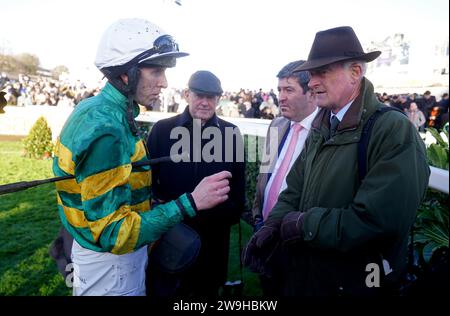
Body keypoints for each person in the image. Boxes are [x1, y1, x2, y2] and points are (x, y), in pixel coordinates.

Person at [243, 26, 430, 296]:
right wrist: (273, 225)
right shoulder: (323, 124)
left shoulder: (391, 129)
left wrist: (303, 225)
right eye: (312, 74)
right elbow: (294, 187)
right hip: (308, 279)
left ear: (356, 72)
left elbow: (379, 221)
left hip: (355, 285)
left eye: (323, 72)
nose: (313, 82)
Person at [52, 18, 231, 296]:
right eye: (156, 71)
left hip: (103, 260)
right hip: (112, 267)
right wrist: (191, 202)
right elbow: (115, 233)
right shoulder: (106, 129)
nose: (164, 82)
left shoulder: (98, 110)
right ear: (127, 73)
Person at [146, 70, 245, 296]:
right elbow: (145, 187)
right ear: (186, 94)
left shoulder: (231, 134)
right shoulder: (163, 130)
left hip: (212, 247)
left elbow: (238, 196)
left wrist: (215, 214)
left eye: (211, 97)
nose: (204, 102)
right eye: (199, 95)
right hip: (168, 242)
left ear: (219, 99)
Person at [250, 60, 318, 295]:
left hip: (297, 241)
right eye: (279, 90)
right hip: (264, 231)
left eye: (289, 90)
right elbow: (265, 176)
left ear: (311, 93)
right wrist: (258, 218)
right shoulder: (277, 125)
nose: (281, 97)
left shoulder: (326, 132)